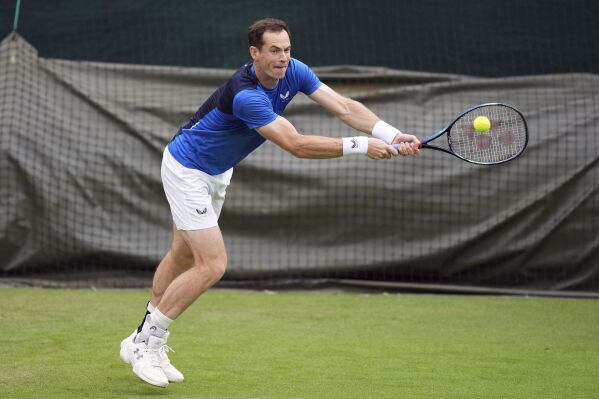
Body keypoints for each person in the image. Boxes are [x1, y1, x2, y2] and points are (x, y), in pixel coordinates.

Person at [119, 18, 421, 388]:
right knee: (212, 264)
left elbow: (343, 106)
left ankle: (138, 337)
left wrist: (390, 134)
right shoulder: (247, 96)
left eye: (287, 49)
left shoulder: (295, 71)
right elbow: (295, 144)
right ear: (255, 53)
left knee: (182, 254)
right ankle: (148, 343)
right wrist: (360, 146)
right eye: (274, 51)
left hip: (217, 172)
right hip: (187, 169)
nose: (283, 58)